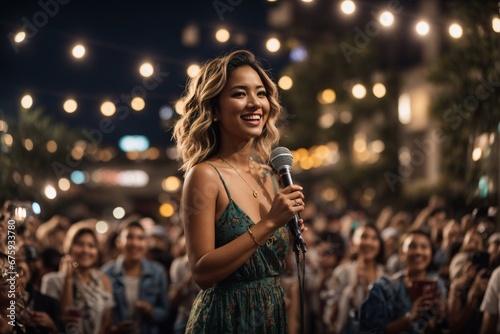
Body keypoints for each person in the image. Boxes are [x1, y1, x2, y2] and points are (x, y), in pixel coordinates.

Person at [172, 49, 306, 333]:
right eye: (240, 94)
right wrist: (269, 224)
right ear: (215, 109)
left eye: (260, 93)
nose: (255, 104)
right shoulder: (205, 175)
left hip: (271, 316)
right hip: (224, 320)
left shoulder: (270, 175)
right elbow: (201, 272)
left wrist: (287, 228)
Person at [359, 230, 448, 334]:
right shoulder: (382, 289)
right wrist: (409, 318)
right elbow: (371, 331)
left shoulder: (438, 284)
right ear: (401, 254)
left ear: (431, 254)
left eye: (424, 247)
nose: (418, 252)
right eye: (412, 246)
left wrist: (440, 317)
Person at [41, 223, 114, 334]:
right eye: (80, 244)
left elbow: (106, 324)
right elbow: (66, 320)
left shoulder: (103, 280)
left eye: (91, 246)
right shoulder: (52, 281)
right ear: (69, 247)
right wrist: (68, 279)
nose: (86, 250)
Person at [102, 220, 170, 334]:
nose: (135, 243)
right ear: (119, 242)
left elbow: (165, 311)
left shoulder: (157, 272)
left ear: (146, 243)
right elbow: (101, 314)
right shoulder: (106, 273)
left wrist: (151, 311)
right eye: (129, 237)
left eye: (140, 238)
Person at [323, 223, 386, 334]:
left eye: (374, 238)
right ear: (352, 242)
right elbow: (330, 318)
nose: (369, 242)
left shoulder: (385, 275)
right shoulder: (342, 272)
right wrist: (351, 290)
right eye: (364, 237)